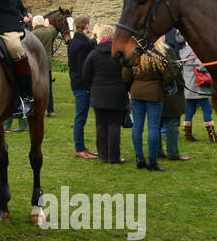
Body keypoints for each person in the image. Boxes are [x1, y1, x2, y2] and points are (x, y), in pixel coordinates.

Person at [122, 37, 175, 171]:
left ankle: (139, 158)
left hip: (136, 93)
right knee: (153, 127)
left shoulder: (134, 54)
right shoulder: (159, 56)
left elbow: (126, 75)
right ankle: (152, 160)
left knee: (137, 126)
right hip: (154, 94)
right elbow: (169, 76)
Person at [82, 23, 127, 164]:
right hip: (117, 93)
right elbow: (128, 73)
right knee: (114, 125)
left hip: (98, 94)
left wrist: (93, 87)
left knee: (101, 125)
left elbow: (86, 74)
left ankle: (103, 155)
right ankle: (113, 156)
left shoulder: (94, 54)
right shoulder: (120, 54)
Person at [179, 39, 217, 143]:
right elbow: (201, 67)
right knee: (207, 110)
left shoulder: (182, 52)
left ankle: (188, 135)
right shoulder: (196, 52)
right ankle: (212, 136)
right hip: (198, 88)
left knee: (190, 112)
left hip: (188, 87)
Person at [159, 30, 191, 161]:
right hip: (170, 92)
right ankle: (173, 153)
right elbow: (173, 72)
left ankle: (157, 151)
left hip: (156, 93)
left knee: (157, 124)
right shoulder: (166, 51)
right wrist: (181, 83)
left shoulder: (148, 51)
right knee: (172, 123)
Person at [67, 15, 96, 158]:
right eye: (89, 25)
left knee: (81, 116)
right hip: (82, 85)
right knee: (80, 117)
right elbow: (83, 68)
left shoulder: (75, 42)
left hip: (77, 83)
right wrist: (88, 85)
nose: (90, 27)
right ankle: (79, 148)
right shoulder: (82, 44)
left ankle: (82, 147)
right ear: (85, 26)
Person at [31, 15, 59, 116]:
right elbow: (54, 29)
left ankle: (36, 108)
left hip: (37, 63)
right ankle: (50, 110)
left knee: (35, 87)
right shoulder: (49, 32)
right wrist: (47, 23)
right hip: (47, 63)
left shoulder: (32, 34)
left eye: (33, 23)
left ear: (36, 23)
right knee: (48, 87)